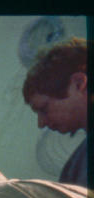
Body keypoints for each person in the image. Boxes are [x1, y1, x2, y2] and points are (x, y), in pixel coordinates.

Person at [23, 37, 89, 187]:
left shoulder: (78, 165)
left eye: (44, 109)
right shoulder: (75, 165)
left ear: (78, 84)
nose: (41, 124)